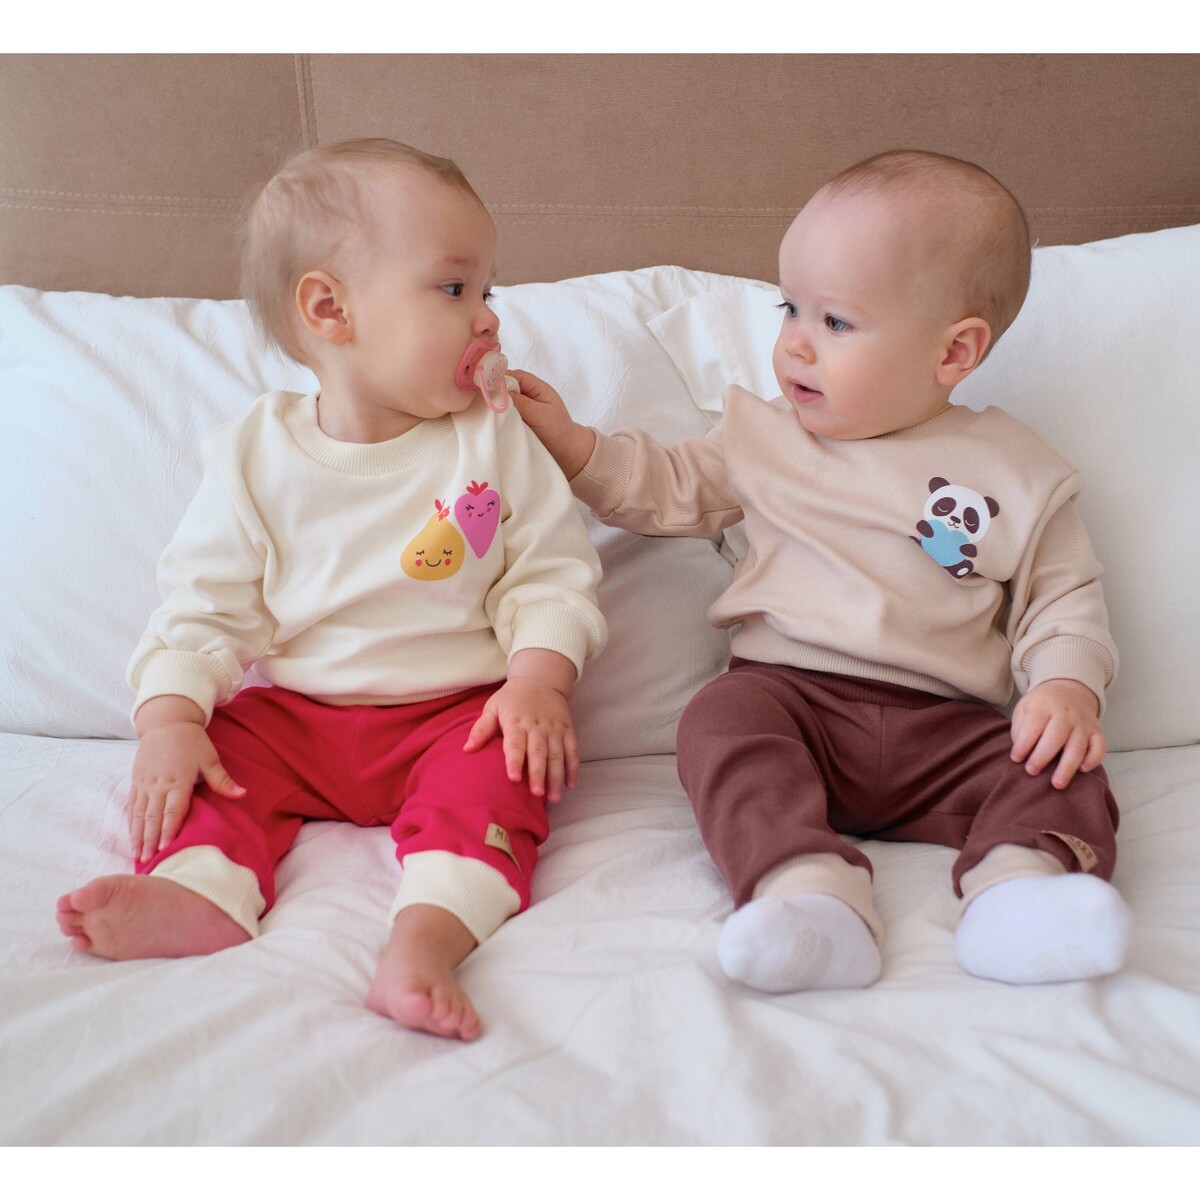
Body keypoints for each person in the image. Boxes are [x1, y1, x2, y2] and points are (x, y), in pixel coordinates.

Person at [511, 149, 1131, 993]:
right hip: (788, 700)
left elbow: (1063, 598)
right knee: (718, 725)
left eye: (835, 322)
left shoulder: (1019, 470)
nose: (795, 343)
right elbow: (663, 487)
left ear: (955, 351)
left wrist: (1066, 689)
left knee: (1064, 767)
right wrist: (574, 443)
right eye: (789, 308)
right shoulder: (763, 437)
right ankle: (805, 888)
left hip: (945, 729)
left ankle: (1022, 888)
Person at [55, 139, 606, 1041]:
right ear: (330, 309)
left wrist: (537, 682)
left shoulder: (492, 437)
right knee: (212, 758)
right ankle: (201, 893)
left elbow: (550, 574)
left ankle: (426, 940)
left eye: (488, 291)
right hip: (299, 721)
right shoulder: (255, 454)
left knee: (503, 774)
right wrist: (169, 722)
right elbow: (204, 607)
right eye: (454, 288)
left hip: (452, 715)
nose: (488, 320)